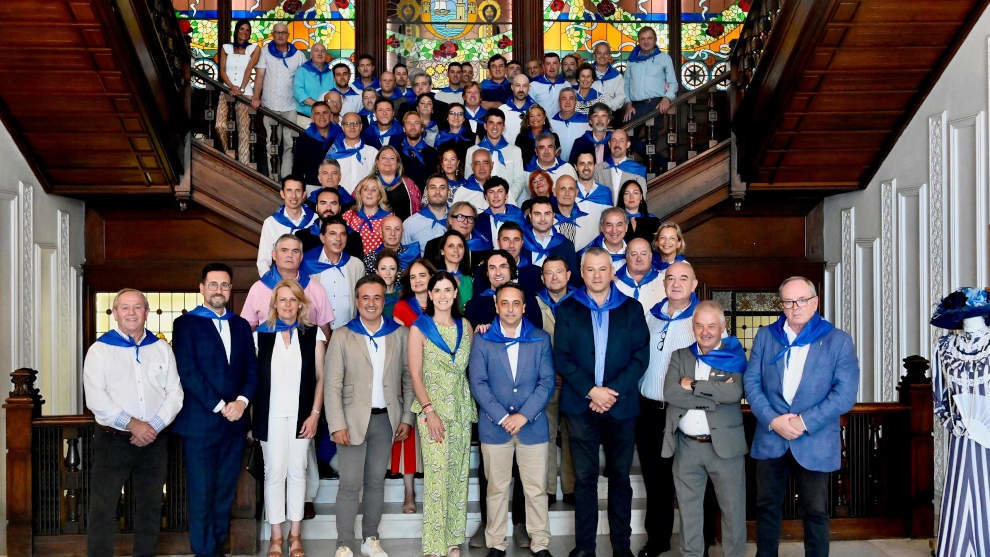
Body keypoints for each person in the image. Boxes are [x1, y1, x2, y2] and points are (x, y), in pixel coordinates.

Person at [745, 276, 859, 557]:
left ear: (815, 302)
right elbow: (751, 383)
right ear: (781, 304)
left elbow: (844, 395)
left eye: (801, 300)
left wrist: (802, 422)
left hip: (814, 440)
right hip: (771, 438)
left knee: (816, 512)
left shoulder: (838, 341)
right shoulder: (765, 336)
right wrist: (773, 420)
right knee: (767, 508)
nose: (795, 307)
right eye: (788, 301)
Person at [553, 248, 650, 557]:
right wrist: (591, 391)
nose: (596, 275)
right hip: (581, 407)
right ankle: (585, 548)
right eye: (590, 270)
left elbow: (640, 356)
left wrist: (610, 392)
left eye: (602, 269)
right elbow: (562, 357)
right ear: (582, 273)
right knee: (584, 480)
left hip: (620, 407)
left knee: (620, 479)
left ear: (612, 272)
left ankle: (622, 547)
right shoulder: (567, 309)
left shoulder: (632, 309)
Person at [83, 288, 184, 557]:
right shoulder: (100, 351)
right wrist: (133, 424)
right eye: (125, 307)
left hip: (154, 440)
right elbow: (96, 398)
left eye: (137, 307)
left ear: (146, 312)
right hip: (113, 439)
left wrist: (153, 426)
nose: (131, 313)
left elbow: (175, 393)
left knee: (150, 506)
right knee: (103, 507)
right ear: (115, 313)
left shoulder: (161, 348)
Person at [172, 264, 258, 557]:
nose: (218, 290)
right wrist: (222, 406)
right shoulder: (186, 324)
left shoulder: (241, 325)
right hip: (201, 423)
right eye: (213, 284)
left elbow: (252, 370)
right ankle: (203, 551)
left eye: (224, 285)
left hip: (234, 425)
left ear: (230, 289)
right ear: (201, 288)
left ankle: (218, 547)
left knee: (224, 492)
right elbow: (188, 372)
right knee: (201, 491)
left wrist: (243, 402)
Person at [326, 275, 414, 557]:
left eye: (377, 297)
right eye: (365, 297)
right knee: (350, 483)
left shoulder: (397, 333)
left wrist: (406, 418)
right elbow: (332, 384)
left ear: (383, 300)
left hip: (385, 420)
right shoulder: (342, 335)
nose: (371, 303)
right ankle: (343, 542)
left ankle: (371, 538)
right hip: (351, 422)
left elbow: (408, 379)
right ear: (356, 301)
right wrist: (337, 424)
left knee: (376, 481)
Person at [469, 283, 555, 557]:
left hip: (533, 426)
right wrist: (505, 416)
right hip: (495, 428)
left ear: (524, 307)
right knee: (495, 488)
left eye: (515, 303)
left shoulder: (540, 338)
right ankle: (495, 543)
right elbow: (478, 383)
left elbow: (547, 382)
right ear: (496, 306)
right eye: (504, 303)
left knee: (536, 489)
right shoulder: (483, 339)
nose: (510, 308)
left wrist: (523, 415)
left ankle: (540, 543)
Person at [663, 300, 748, 557]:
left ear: (723, 326)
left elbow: (733, 392)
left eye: (712, 325)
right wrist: (712, 397)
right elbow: (671, 393)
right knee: (689, 514)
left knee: (732, 512)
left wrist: (694, 385)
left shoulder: (733, 356)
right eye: (699, 325)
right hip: (686, 446)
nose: (705, 331)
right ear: (693, 327)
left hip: (725, 448)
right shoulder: (680, 355)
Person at [253, 279, 326, 557]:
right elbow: (253, 379)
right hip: (269, 416)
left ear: (300, 304)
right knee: (274, 473)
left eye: (292, 299)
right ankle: (275, 536)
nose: (287, 305)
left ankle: (295, 536)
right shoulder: (260, 335)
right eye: (282, 299)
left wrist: (315, 414)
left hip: (302, 416)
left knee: (298, 472)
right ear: (274, 304)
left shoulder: (313, 334)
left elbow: (320, 377)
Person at [408, 272, 477, 557]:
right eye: (438, 290)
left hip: (460, 410)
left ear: (454, 294)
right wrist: (429, 411)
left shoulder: (466, 325)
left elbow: (468, 368)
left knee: (459, 476)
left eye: (449, 289)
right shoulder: (419, 328)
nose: (444, 295)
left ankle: (453, 540)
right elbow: (415, 374)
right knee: (437, 477)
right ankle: (434, 544)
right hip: (432, 412)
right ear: (431, 294)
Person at [636, 260, 700, 557]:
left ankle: (698, 542)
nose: (675, 283)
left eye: (683, 278)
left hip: (684, 411)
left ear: (694, 284)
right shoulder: (652, 317)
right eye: (670, 278)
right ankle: (658, 539)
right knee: (655, 479)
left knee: (689, 479)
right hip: (648, 410)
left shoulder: (702, 319)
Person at [931, 288, 990, 557]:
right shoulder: (944, 348)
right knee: (960, 492)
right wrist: (951, 421)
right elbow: (939, 394)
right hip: (962, 436)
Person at [535, 256, 576, 506]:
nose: (554, 277)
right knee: (546, 436)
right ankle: (548, 488)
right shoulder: (535, 303)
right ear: (542, 278)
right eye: (548, 273)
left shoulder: (580, 302)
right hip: (545, 380)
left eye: (559, 272)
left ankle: (571, 487)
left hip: (573, 381)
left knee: (572, 435)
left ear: (568, 275)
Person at [241, 234, 335, 338]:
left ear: (301, 257)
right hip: (268, 349)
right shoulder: (258, 288)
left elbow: (324, 331)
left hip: (307, 350)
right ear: (274, 255)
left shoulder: (316, 289)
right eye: (284, 250)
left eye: (295, 251)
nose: (290, 255)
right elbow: (247, 328)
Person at [254, 22, 306, 177]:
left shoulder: (298, 55)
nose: (280, 35)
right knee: (272, 144)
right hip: (270, 106)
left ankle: (286, 178)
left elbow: (304, 79)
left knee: (289, 144)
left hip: (291, 106)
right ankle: (273, 177)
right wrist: (256, 97)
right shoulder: (265, 52)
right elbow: (260, 76)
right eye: (277, 32)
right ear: (273, 35)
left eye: (283, 32)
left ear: (288, 35)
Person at [303, 216, 366, 330]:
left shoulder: (356, 265)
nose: (338, 239)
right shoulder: (308, 264)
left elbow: (361, 300)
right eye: (332, 233)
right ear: (322, 238)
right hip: (315, 333)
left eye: (343, 234)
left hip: (347, 333)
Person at [216, 20, 261, 165]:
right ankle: (228, 154)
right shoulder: (226, 48)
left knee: (244, 132)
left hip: (245, 92)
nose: (245, 32)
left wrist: (240, 89)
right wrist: (231, 86)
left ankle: (244, 165)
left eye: (248, 30)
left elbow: (249, 69)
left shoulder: (254, 48)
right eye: (242, 29)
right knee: (220, 125)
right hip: (226, 90)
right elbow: (222, 70)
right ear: (236, 30)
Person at [258, 175, 320, 276]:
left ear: (304, 194)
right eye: (289, 191)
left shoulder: (315, 220)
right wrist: (272, 284)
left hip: (313, 278)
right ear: (282, 194)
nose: (293, 196)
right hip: (283, 280)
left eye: (298, 191)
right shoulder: (271, 223)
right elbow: (263, 261)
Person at [465, 250, 544, 329]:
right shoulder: (473, 305)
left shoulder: (527, 299)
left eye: (503, 266)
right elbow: (470, 336)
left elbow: (537, 330)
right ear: (487, 273)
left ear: (511, 270)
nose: (498, 273)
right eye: (492, 268)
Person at [467, 109, 527, 204]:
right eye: (491, 123)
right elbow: (469, 179)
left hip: (508, 204)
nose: (495, 127)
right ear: (485, 126)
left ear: (503, 127)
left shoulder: (515, 151)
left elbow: (519, 180)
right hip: (478, 203)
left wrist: (505, 199)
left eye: (499, 123)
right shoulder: (472, 151)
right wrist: (480, 200)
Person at [623, 27, 677, 124]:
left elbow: (673, 83)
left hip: (656, 104)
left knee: (652, 137)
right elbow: (626, 84)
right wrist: (628, 104)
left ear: (655, 40)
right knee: (628, 135)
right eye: (643, 39)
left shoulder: (664, 58)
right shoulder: (632, 60)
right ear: (639, 41)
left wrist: (667, 98)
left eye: (649, 38)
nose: (646, 42)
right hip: (635, 107)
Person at [297, 185, 363, 256]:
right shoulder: (302, 236)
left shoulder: (353, 237)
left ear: (339, 208)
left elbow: (357, 265)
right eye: (323, 203)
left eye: (333, 203)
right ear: (316, 208)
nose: (328, 208)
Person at [424, 201, 489, 270]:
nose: (465, 222)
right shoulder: (433, 246)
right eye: (460, 217)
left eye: (470, 218)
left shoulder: (483, 247)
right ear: (450, 220)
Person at [292, 101, 342, 187]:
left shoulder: (341, 136)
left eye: (325, 113)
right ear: (312, 117)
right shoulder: (304, 139)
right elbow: (298, 168)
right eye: (317, 113)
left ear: (330, 116)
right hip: (312, 185)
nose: (321, 116)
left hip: (338, 185)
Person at [341, 176, 393, 255]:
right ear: (360, 194)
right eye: (365, 189)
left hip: (380, 262)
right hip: (354, 262)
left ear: (379, 195)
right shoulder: (348, 216)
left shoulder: (389, 218)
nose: (369, 192)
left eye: (374, 190)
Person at [329, 112, 378, 194]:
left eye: (356, 123)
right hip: (340, 199)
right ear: (342, 127)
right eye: (348, 124)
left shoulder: (372, 152)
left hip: (366, 199)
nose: (352, 127)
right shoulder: (333, 153)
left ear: (361, 127)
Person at [525, 196, 578, 272]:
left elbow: (574, 278)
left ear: (553, 216)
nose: (542, 219)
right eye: (537, 214)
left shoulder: (565, 244)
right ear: (530, 216)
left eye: (547, 214)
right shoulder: (521, 242)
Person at [614, 237, 663, 314]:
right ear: (626, 258)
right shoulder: (614, 283)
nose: (639, 259)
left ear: (650, 257)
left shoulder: (664, 282)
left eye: (643, 254)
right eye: (634, 254)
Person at [594, 128, 647, 199]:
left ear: (628, 144)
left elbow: (641, 199)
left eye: (621, 141)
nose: (617, 144)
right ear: (609, 144)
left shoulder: (637, 169)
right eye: (614, 140)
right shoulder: (598, 169)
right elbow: (594, 198)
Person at [475, 176, 526, 250]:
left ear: (506, 195)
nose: (496, 196)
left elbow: (525, 244)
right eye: (491, 192)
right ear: (486, 197)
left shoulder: (517, 216)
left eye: (500, 191)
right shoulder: (479, 220)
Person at [403, 174, 450, 253]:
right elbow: (404, 259)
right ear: (426, 192)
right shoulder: (410, 224)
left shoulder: (458, 222)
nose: (437, 192)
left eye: (442, 188)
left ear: (448, 192)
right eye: (433, 187)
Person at [373, 145, 422, 221]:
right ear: (377, 162)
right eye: (384, 158)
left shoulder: (409, 184)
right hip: (374, 231)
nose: (387, 161)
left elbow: (418, 212)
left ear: (398, 164)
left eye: (392, 158)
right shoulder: (367, 183)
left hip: (405, 230)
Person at [553, 175, 598, 251]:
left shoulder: (591, 222)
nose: (567, 193)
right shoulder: (546, 221)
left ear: (576, 192)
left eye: (571, 189)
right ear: (554, 192)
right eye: (562, 188)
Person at [573, 151, 613, 233]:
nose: (586, 167)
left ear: (595, 166)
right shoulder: (569, 191)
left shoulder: (605, 193)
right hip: (574, 244)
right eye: (582, 164)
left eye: (589, 163)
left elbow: (609, 222)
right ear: (575, 167)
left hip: (598, 244)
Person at [294, 43, 334, 124]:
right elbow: (298, 92)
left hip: (325, 118)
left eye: (323, 51)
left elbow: (334, 93)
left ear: (326, 55)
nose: (320, 53)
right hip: (305, 117)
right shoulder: (302, 70)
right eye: (316, 51)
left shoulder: (330, 73)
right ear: (311, 55)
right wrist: (318, 106)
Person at [433, 229, 473, 310]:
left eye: (460, 246)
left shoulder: (470, 279)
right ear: (442, 251)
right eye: (451, 246)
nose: (456, 250)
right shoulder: (433, 278)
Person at [398, 111, 439, 190]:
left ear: (422, 128)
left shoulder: (433, 154)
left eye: (416, 123)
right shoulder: (396, 153)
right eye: (409, 123)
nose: (412, 126)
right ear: (403, 128)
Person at [393, 258, 437, 327]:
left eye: (422, 275)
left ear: (432, 277)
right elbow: (399, 337)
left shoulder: (441, 303)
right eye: (413, 277)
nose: (417, 280)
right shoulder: (401, 307)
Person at [551, 88, 590, 163]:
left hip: (579, 166)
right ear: (559, 102)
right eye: (564, 98)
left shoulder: (586, 122)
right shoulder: (552, 123)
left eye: (571, 98)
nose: (567, 102)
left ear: (576, 102)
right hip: (558, 167)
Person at [515, 105, 557, 172]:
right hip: (526, 174)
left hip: (550, 173)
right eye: (531, 116)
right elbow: (517, 161)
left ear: (544, 118)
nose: (535, 119)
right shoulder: (521, 138)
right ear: (528, 120)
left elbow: (556, 159)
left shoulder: (553, 137)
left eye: (538, 115)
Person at [452, 149, 493, 213]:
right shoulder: (462, 192)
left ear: (492, 165)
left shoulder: (501, 189)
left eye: (485, 163)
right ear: (472, 166)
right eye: (477, 163)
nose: (481, 168)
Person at [499, 74, 536, 145]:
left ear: (529, 88)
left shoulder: (537, 111)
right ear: (512, 87)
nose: (521, 89)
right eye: (518, 85)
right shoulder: (502, 110)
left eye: (524, 86)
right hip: (507, 153)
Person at [591, 42, 626, 114]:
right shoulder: (586, 73)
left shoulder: (617, 76)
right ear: (594, 56)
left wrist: (607, 107)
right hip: (587, 114)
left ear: (610, 56)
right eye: (599, 53)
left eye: (606, 53)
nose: (602, 56)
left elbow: (621, 96)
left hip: (610, 114)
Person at [529, 53, 567, 119]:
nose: (552, 67)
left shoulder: (566, 85)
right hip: (541, 125)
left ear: (559, 65)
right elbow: (529, 109)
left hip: (561, 124)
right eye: (548, 64)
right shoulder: (533, 86)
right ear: (543, 66)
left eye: (554, 63)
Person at [374, 250, 403, 320]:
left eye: (392, 268)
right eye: (383, 268)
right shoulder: (370, 296)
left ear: (397, 272)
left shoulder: (405, 295)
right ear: (377, 272)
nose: (388, 273)